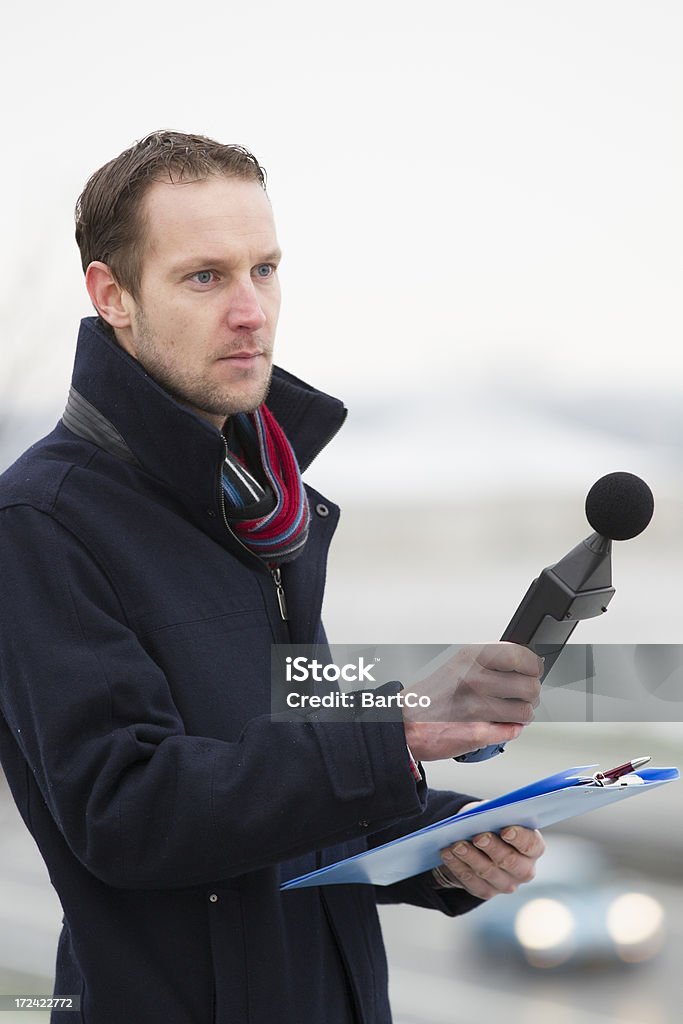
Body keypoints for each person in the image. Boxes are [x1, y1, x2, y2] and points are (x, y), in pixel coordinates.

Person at [0, 130, 545, 1024]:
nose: (251, 309)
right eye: (205, 276)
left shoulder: (264, 510)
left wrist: (438, 846)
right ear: (114, 297)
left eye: (264, 269)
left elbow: (279, 780)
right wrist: (398, 729)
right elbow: (127, 811)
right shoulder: (42, 522)